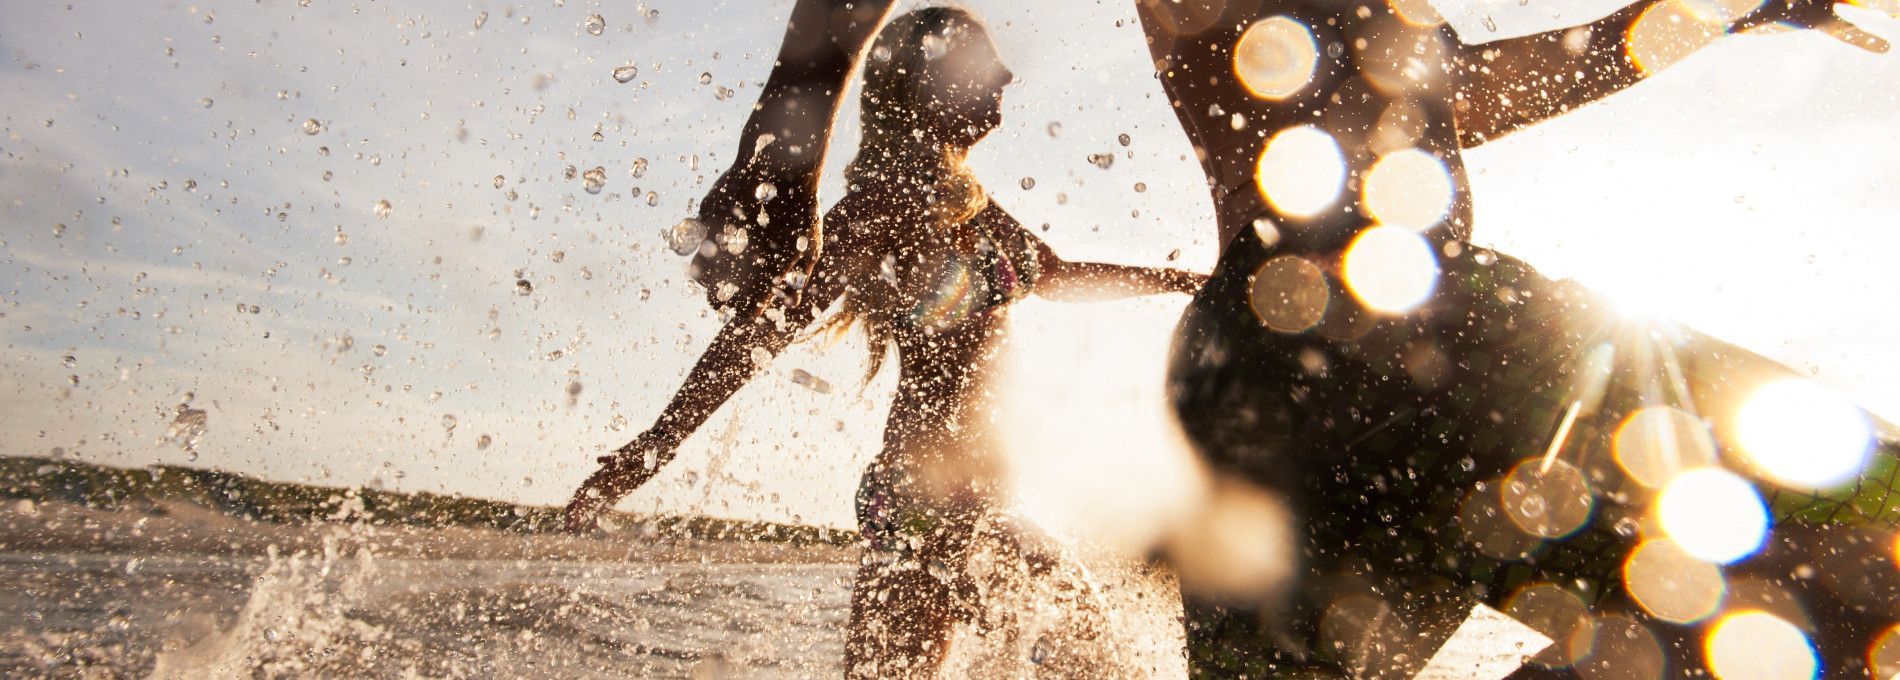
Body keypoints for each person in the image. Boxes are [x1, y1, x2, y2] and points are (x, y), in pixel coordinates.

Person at [650, 0, 1900, 676]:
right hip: (1369, 352)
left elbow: (1463, 91)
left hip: (1395, 341)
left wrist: (1704, 16)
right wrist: (781, 141)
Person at [563, 8, 1206, 677]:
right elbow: (763, 329)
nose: (1008, 72)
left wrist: (1186, 279)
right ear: (925, 86)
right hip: (919, 507)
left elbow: (1060, 276)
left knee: (1091, 654)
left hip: (991, 503)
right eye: (982, 62)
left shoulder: (969, 205)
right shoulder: (879, 207)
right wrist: (657, 443)